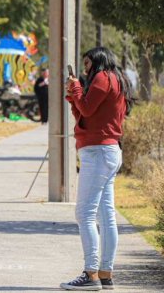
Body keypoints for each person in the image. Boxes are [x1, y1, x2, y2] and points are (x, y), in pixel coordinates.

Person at [60, 47, 134, 291]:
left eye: (87, 62)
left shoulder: (103, 78)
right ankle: (105, 273)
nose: (84, 68)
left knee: (84, 213)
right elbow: (84, 113)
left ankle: (90, 274)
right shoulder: (118, 80)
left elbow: (87, 109)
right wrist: (74, 95)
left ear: (98, 61)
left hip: (98, 152)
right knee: (106, 215)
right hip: (107, 150)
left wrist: (78, 90)